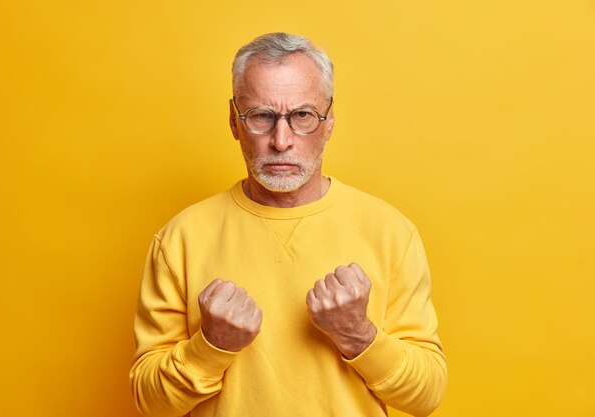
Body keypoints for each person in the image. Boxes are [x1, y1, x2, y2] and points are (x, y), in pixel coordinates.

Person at [130, 32, 447, 417]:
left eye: (302, 116)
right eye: (262, 116)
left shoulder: (391, 232)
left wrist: (356, 333)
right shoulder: (179, 239)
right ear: (234, 121)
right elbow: (150, 404)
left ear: (329, 122)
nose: (282, 141)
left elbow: (425, 396)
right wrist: (211, 345)